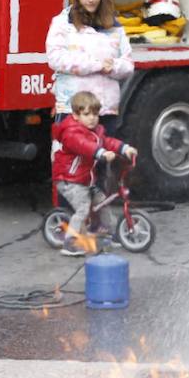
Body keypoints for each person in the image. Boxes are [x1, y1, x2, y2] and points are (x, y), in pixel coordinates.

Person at [45, 0, 134, 137]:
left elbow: (128, 64)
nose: (91, 0)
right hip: (73, 109)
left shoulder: (114, 25)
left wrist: (113, 66)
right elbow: (55, 58)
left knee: (102, 160)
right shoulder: (62, 23)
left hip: (105, 109)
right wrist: (97, 65)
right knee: (71, 162)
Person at [52, 91, 138, 256]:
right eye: (86, 114)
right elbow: (83, 146)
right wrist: (101, 153)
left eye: (95, 114)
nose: (92, 118)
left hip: (85, 180)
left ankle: (107, 232)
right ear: (76, 115)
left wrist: (124, 148)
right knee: (83, 208)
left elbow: (107, 141)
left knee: (102, 202)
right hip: (69, 179)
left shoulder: (96, 131)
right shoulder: (71, 133)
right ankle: (70, 242)